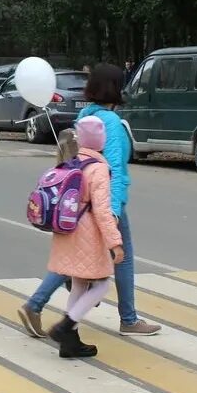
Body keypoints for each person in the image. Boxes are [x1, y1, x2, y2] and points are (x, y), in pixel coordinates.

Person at [18, 63, 162, 336]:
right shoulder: (112, 125)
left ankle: (36, 304)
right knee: (123, 257)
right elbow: (116, 171)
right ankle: (128, 319)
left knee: (75, 258)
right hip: (102, 199)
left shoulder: (85, 115)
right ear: (116, 88)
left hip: (78, 201)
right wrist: (115, 209)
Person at [43, 116, 124, 358]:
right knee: (101, 284)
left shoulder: (73, 161)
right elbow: (102, 210)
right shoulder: (99, 167)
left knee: (79, 283)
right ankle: (65, 326)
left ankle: (70, 342)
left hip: (68, 229)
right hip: (88, 232)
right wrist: (115, 243)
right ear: (101, 140)